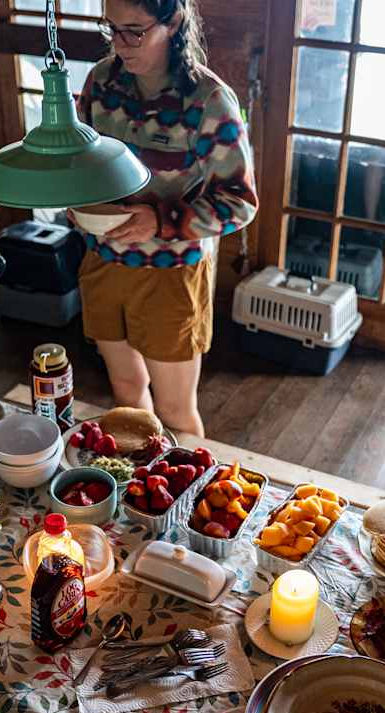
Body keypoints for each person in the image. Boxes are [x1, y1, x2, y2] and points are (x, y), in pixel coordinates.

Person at [74, 0, 257, 436]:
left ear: (173, 22)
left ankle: (187, 501)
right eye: (111, 29)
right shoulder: (101, 82)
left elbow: (240, 203)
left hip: (169, 273)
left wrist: (161, 222)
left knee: (175, 412)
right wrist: (72, 195)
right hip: (102, 259)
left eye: (135, 31)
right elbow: (79, 160)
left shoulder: (208, 101)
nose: (120, 45)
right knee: (126, 392)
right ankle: (143, 495)